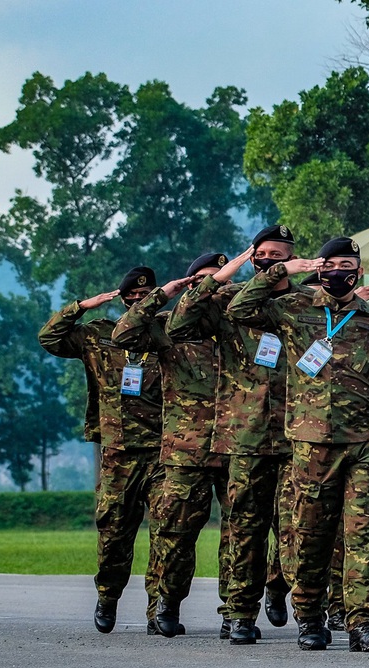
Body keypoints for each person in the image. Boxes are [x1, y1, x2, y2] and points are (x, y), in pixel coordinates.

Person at [226, 236, 369, 652]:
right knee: (310, 535)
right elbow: (238, 308)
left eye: (347, 265)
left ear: (358, 271)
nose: (339, 271)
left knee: (364, 536)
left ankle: (362, 623)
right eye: (330, 263)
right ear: (319, 267)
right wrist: (285, 270)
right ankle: (310, 618)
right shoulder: (293, 309)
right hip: (311, 444)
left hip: (368, 444)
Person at [165, 225, 304, 644]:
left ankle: (287, 593)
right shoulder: (227, 301)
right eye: (264, 254)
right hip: (247, 435)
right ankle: (240, 613)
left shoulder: (305, 301)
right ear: (253, 256)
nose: (273, 261)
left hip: (301, 433)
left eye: (281, 255)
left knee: (299, 526)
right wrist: (232, 271)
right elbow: (180, 322)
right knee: (244, 526)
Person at [39, 266, 166, 634]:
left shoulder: (168, 332)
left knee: (166, 534)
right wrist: (81, 306)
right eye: (132, 296)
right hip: (117, 452)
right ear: (123, 298)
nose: (138, 302)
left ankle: (158, 610)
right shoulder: (98, 335)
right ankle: (108, 596)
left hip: (163, 450)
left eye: (146, 296)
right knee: (114, 532)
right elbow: (49, 338)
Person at [111, 253, 231, 638]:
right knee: (176, 535)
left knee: (241, 534)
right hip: (186, 451)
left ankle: (235, 610)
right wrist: (163, 295)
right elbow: (124, 333)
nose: (212, 287)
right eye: (201, 280)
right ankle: (166, 603)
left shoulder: (243, 327)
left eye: (219, 279)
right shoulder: (169, 328)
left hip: (238, 446)